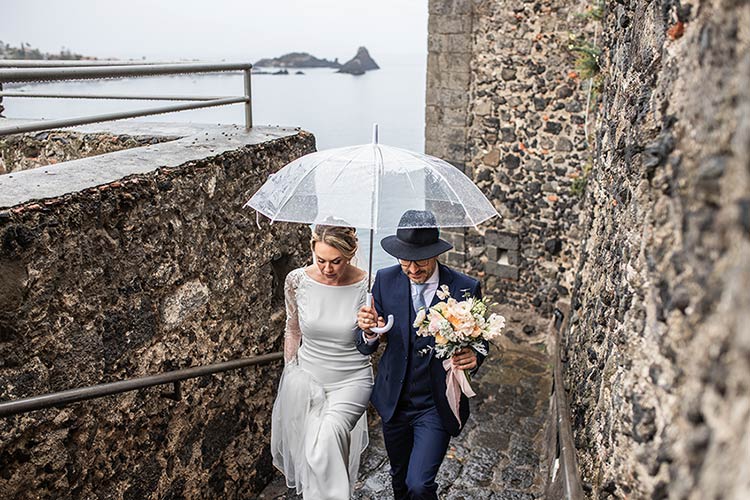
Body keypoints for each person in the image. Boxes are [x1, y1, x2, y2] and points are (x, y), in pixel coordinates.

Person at [356, 210, 487, 500]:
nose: (413, 270)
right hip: (395, 402)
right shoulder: (384, 280)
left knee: (420, 484)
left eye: (421, 263)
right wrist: (368, 329)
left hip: (436, 404)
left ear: (435, 253)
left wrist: (475, 357)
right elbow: (366, 344)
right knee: (400, 480)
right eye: (405, 263)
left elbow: (481, 341)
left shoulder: (464, 288)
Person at [271, 224, 374, 500]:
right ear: (312, 251)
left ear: (350, 254)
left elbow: (376, 342)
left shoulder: (369, 285)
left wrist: (371, 330)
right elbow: (292, 329)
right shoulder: (297, 281)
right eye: (321, 260)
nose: (328, 269)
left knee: (327, 437)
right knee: (314, 452)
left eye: (336, 261)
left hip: (351, 380)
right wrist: (291, 371)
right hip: (308, 380)